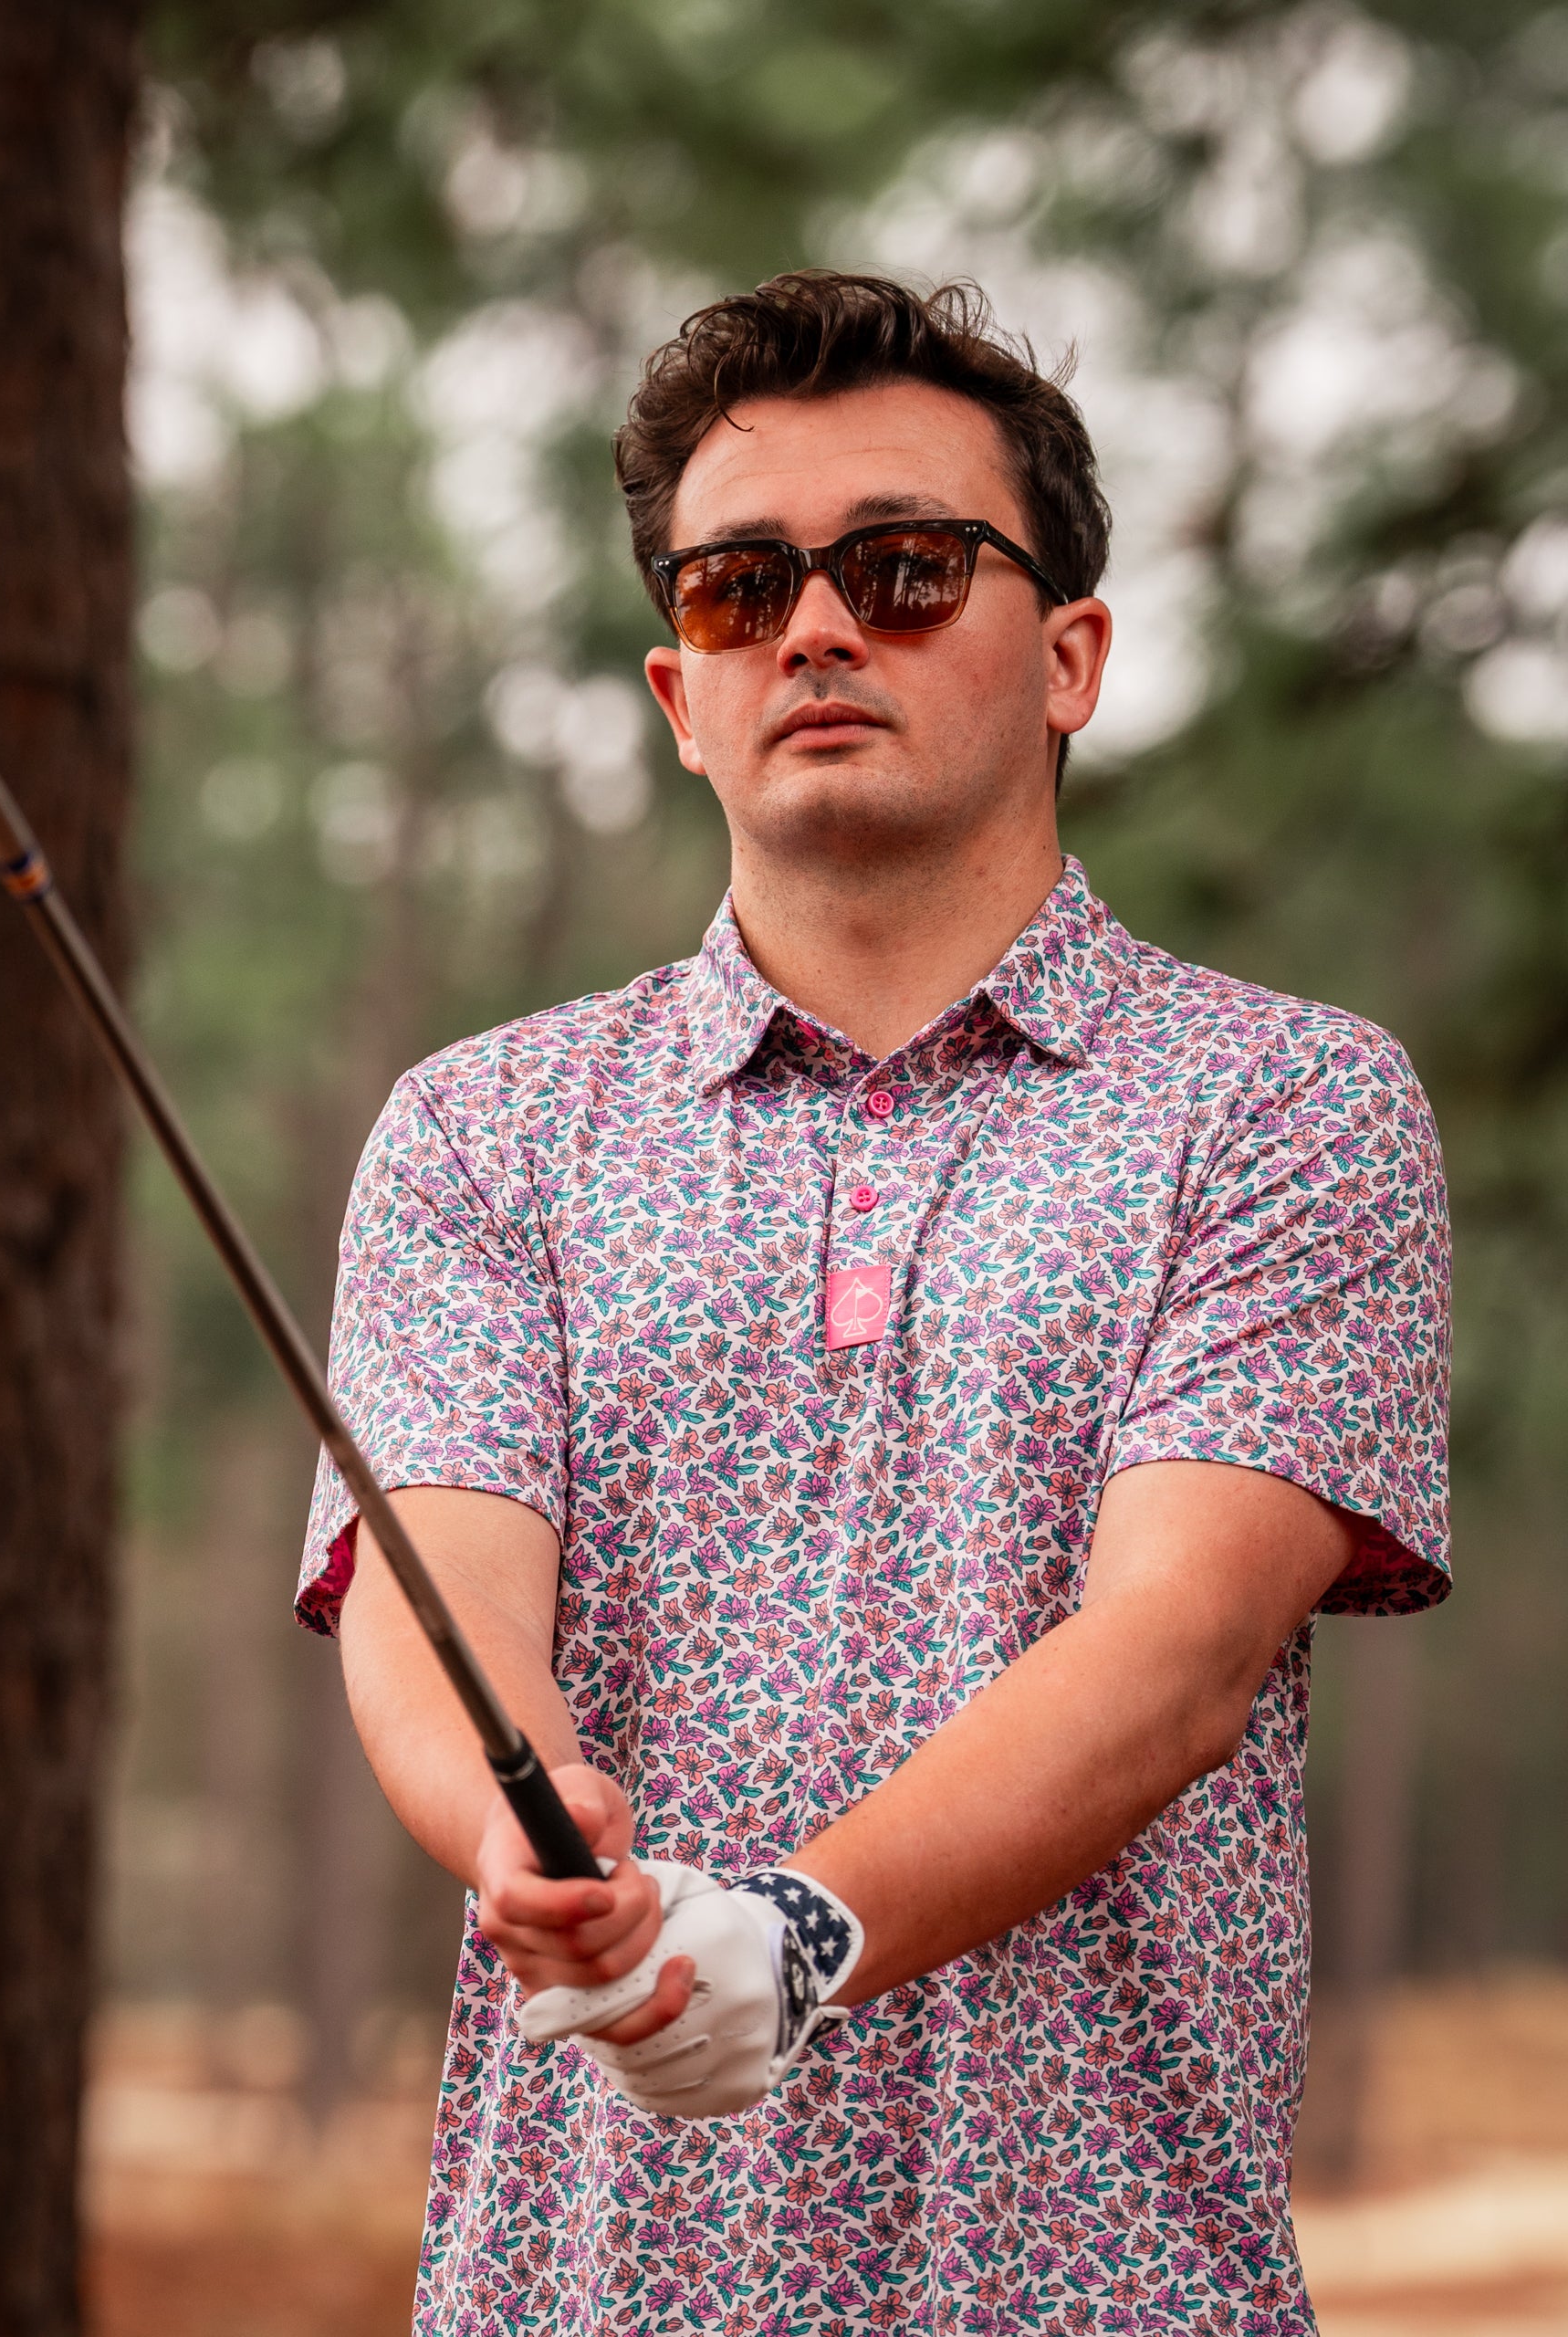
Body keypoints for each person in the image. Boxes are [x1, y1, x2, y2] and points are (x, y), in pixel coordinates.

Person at [297, 270, 1449, 2335]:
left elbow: (1178, 1647)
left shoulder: (1289, 1103)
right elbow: (430, 1592)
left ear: (1071, 652)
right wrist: (521, 1830)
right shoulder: (480, 1130)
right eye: (740, 586)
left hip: (1111, 2290)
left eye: (906, 569)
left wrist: (800, 1932)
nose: (816, 626)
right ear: (676, 692)